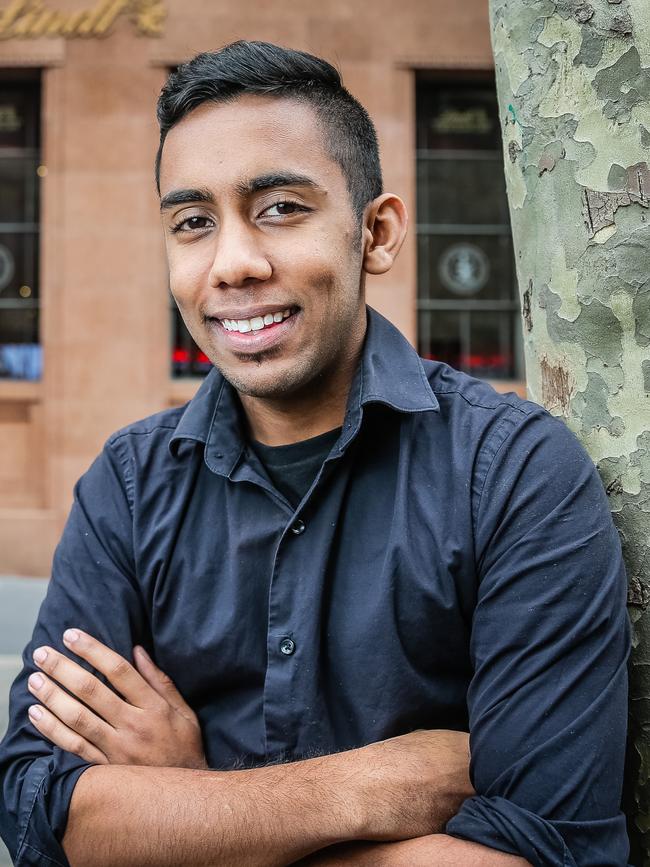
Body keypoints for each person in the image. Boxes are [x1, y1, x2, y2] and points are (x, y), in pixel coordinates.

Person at [0, 40, 630, 867]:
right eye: (193, 222)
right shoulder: (130, 483)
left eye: (281, 208)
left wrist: (191, 805)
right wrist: (363, 790)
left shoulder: (514, 476)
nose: (232, 264)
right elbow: (42, 810)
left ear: (375, 233)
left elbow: (543, 854)